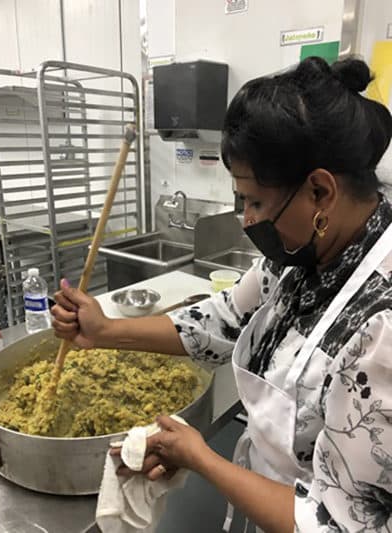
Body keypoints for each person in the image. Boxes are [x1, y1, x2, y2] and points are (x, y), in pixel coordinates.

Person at [52, 56, 392, 532]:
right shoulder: (304, 252)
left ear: (320, 192)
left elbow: (343, 525)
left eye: (255, 202)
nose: (248, 220)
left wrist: (201, 458)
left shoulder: (381, 326)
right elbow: (224, 319)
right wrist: (105, 329)